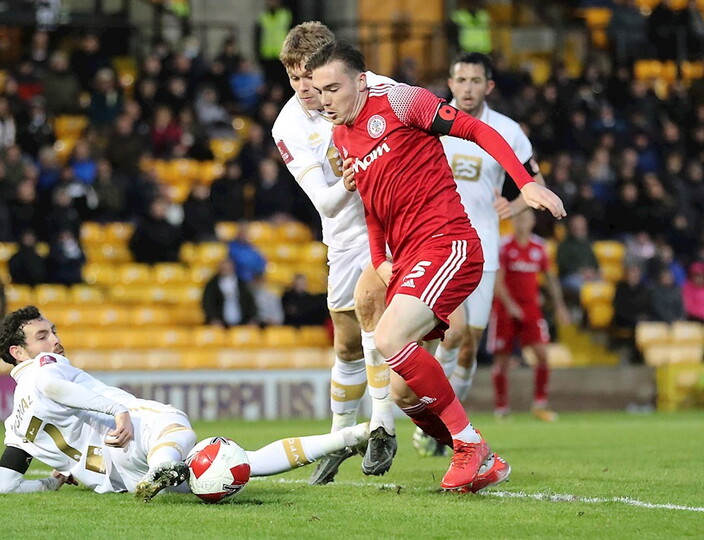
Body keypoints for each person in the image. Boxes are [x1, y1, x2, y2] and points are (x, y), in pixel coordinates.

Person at [308, 41, 565, 491]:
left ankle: (469, 447)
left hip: (448, 242)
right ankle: (480, 454)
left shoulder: (404, 101)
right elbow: (372, 204)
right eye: (318, 90)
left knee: (389, 338)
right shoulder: (342, 136)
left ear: (361, 81)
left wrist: (525, 185)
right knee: (406, 391)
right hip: (406, 257)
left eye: (333, 88)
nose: (325, 99)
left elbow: (477, 132)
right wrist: (379, 258)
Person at [0, 306, 370, 498]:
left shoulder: (16, 427)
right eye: (42, 336)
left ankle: (350, 436)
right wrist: (117, 409)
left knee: (233, 466)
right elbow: (53, 386)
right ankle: (164, 464)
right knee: (172, 420)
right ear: (18, 352)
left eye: (53, 332)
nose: (54, 341)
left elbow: (4, 487)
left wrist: (49, 483)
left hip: (119, 474)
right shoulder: (44, 366)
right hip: (131, 429)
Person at [272, 21, 396, 484]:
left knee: (378, 322)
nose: (304, 88)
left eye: (310, 76)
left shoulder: (379, 89)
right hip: (345, 234)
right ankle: (340, 438)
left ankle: (384, 425)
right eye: (294, 78)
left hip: (395, 223)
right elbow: (323, 201)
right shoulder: (287, 124)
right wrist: (348, 180)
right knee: (347, 344)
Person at [419, 52, 549, 455]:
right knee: (444, 335)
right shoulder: (431, 122)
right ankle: (434, 424)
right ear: (451, 83)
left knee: (470, 345)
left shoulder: (507, 130)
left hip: (483, 249)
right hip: (436, 244)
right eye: (462, 80)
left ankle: (442, 421)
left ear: (488, 86)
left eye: (477, 80)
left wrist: (517, 205)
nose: (469, 87)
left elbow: (535, 181)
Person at [487, 210, 570, 422]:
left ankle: (540, 404)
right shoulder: (504, 245)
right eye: (518, 218)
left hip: (531, 308)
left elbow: (550, 278)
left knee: (543, 355)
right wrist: (510, 304)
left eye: (525, 218)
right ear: (512, 221)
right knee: (502, 359)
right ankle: (502, 408)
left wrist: (560, 306)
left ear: (532, 221)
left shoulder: (539, 247)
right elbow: (497, 280)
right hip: (505, 308)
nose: (522, 222)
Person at [201, 259, 257, 327]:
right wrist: (213, 319)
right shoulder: (212, 285)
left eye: (228, 267)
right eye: (223, 268)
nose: (226, 270)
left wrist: (251, 319)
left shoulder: (241, 284)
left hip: (242, 322)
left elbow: (250, 302)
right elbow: (208, 303)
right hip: (220, 323)